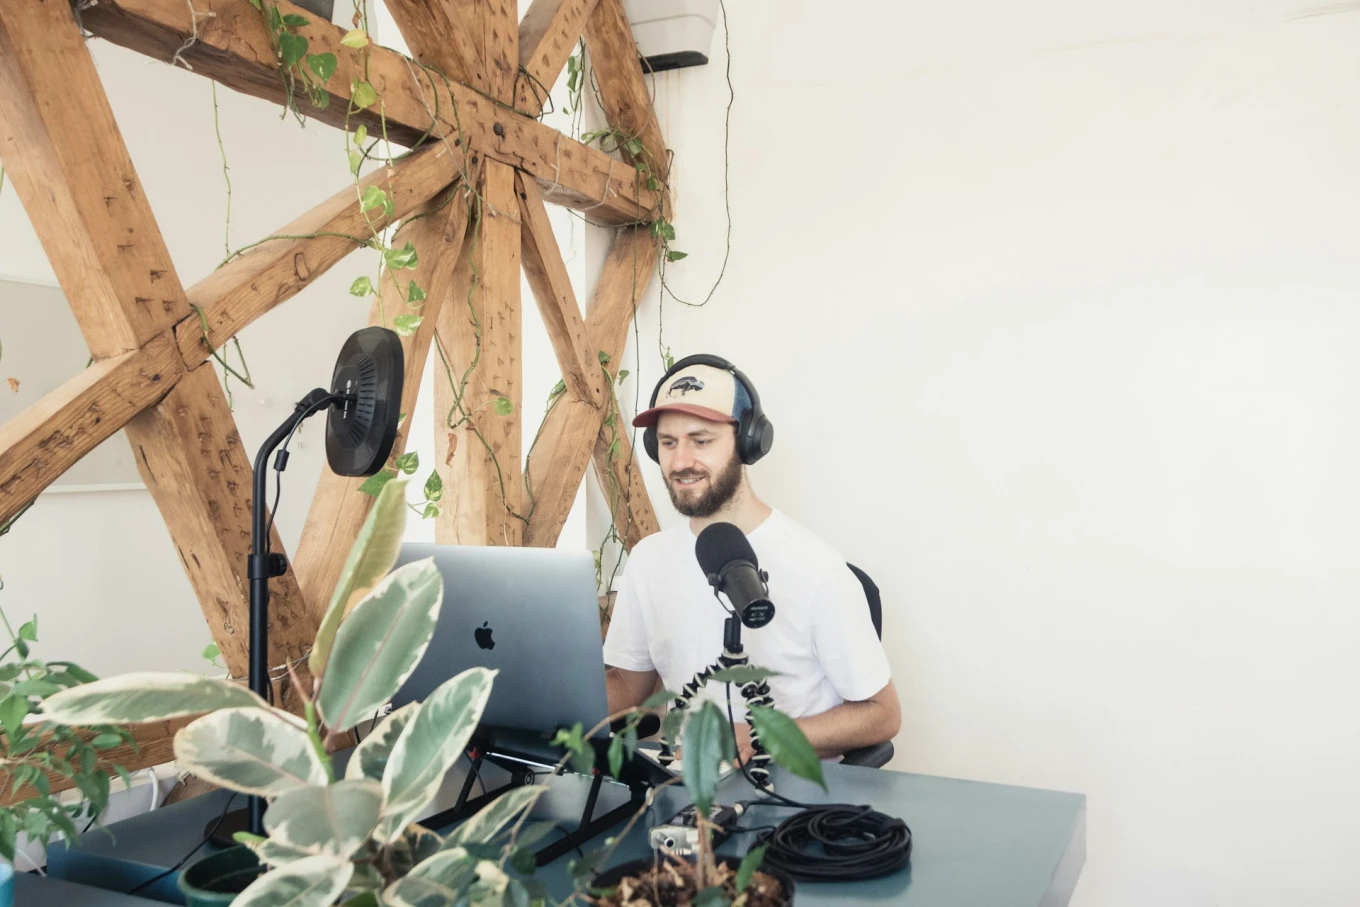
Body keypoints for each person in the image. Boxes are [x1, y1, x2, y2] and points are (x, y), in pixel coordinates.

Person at [602, 354, 901, 762]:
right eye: (668, 443)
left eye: (701, 440)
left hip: (792, 800)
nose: (680, 461)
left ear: (749, 442)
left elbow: (882, 716)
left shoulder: (817, 571)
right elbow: (627, 690)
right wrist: (528, 694)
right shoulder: (648, 560)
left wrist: (761, 736)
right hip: (685, 790)